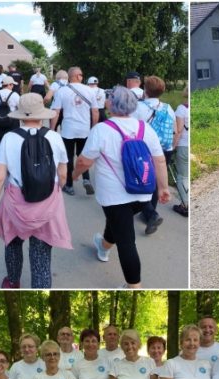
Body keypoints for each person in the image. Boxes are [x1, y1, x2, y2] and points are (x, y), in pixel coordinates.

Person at [73, 86, 169, 289]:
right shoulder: (144, 128)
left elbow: (84, 161)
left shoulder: (102, 129)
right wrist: (163, 188)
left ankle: (134, 286)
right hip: (142, 193)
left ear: (111, 104)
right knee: (117, 224)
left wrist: (73, 176)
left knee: (126, 241)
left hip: (114, 196)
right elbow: (159, 161)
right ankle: (103, 246)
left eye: (109, 98)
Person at [0, 92, 72, 289]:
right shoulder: (55, 138)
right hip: (48, 201)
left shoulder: (9, 138)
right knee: (41, 251)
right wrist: (58, 190)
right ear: (42, 113)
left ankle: (13, 281)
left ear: (21, 114)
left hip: (16, 200)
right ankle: (41, 286)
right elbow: (63, 173)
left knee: (13, 242)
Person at [134, 76, 176, 235]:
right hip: (165, 148)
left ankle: (150, 213)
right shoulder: (168, 108)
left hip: (145, 150)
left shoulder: (138, 107)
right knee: (157, 182)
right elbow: (173, 130)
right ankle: (149, 213)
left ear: (145, 90)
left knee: (140, 181)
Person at [51, 66, 98, 196]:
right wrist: (94, 128)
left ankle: (70, 185)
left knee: (69, 157)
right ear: (77, 76)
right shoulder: (90, 90)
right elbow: (95, 111)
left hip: (68, 130)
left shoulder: (61, 91)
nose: (82, 77)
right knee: (84, 155)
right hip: (84, 129)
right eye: (81, 75)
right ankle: (86, 179)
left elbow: (56, 111)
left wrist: (52, 129)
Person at [172, 87, 189, 216]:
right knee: (187, 176)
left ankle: (185, 205)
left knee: (182, 177)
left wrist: (173, 146)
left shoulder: (181, 109)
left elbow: (178, 131)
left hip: (183, 146)